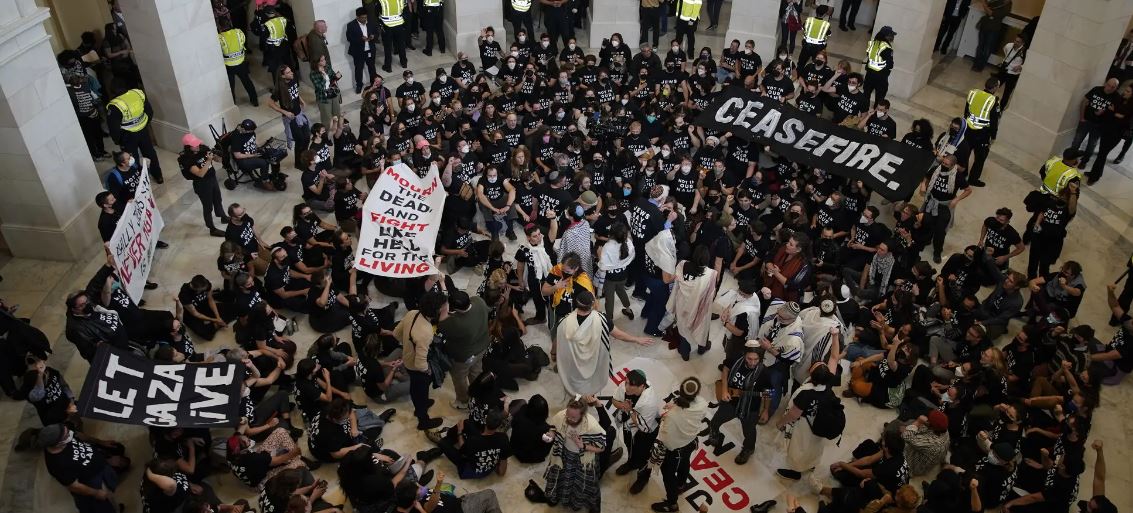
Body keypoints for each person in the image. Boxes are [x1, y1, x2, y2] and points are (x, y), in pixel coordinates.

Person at [555, 290, 652, 397]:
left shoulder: (564, 321)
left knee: (575, 379)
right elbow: (619, 335)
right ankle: (590, 396)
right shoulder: (602, 319)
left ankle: (576, 395)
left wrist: (553, 353)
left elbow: (557, 339)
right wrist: (636, 339)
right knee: (592, 380)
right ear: (592, 305)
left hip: (573, 362)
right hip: (594, 360)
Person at [704, 342, 771, 464]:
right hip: (731, 400)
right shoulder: (735, 359)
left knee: (749, 431)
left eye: (756, 359)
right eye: (749, 358)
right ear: (744, 355)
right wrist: (724, 389)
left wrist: (766, 410)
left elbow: (768, 392)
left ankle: (748, 449)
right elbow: (725, 369)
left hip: (750, 407)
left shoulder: (764, 373)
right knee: (716, 420)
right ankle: (714, 432)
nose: (752, 362)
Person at [648, 377, 709, 511]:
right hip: (691, 443)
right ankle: (681, 485)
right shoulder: (703, 404)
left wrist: (669, 415)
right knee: (685, 464)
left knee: (669, 476)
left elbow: (666, 439)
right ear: (697, 393)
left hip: (674, 450)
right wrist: (676, 406)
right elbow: (688, 409)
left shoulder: (672, 415)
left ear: (680, 391)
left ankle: (672, 504)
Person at [393, 290, 447, 430]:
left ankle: (419, 406)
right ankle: (423, 420)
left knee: (415, 387)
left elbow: (396, 333)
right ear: (435, 311)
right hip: (416, 367)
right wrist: (427, 370)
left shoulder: (413, 313)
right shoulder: (426, 331)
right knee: (421, 390)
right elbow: (420, 363)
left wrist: (409, 346)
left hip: (407, 359)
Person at [775, 361, 838, 481]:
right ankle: (811, 465)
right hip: (820, 424)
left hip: (804, 427)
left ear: (811, 374)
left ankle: (795, 472)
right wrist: (835, 340)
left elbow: (793, 414)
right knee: (815, 447)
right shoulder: (828, 385)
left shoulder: (805, 393)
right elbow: (834, 357)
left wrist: (780, 423)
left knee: (799, 449)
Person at [543, 396, 606, 513]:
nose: (568, 419)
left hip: (582, 459)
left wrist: (583, 446)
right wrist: (551, 435)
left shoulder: (591, 426)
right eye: (568, 414)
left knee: (583, 484)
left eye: (573, 417)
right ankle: (557, 497)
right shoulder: (562, 416)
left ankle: (587, 505)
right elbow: (553, 427)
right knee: (562, 478)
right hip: (563, 454)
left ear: (582, 415)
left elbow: (601, 447)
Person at [41, 424, 123, 513]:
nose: (71, 434)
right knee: (100, 506)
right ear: (58, 443)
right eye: (67, 435)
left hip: (101, 464)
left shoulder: (63, 433)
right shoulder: (57, 464)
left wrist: (101, 442)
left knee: (110, 489)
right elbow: (74, 486)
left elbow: (80, 435)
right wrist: (96, 493)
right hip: (89, 481)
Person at [610, 369, 661, 492]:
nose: (627, 387)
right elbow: (614, 400)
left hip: (646, 431)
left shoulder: (649, 402)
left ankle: (643, 478)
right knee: (630, 446)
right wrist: (623, 406)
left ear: (642, 386)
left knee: (644, 457)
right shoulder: (626, 385)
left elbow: (644, 428)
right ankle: (631, 463)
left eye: (631, 385)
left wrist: (630, 410)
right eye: (626, 382)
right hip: (629, 425)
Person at [438, 290, 490, 409]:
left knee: (459, 377)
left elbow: (441, 324)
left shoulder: (456, 323)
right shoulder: (479, 301)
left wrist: (445, 307)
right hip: (481, 347)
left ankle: (463, 401)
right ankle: (477, 393)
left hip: (464, 356)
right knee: (476, 371)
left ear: (454, 308)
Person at [668, 246, 718, 360]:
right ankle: (702, 348)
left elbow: (676, 282)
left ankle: (685, 353)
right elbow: (711, 295)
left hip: (682, 303)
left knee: (683, 327)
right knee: (703, 326)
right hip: (699, 307)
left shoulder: (682, 264)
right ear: (707, 259)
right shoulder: (711, 274)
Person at [921, 153, 972, 263]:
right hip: (932, 201)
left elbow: (968, 190)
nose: (943, 165)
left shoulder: (957, 176)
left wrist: (956, 199)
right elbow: (927, 176)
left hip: (945, 206)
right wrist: (923, 184)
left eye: (946, 164)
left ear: (953, 165)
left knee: (940, 231)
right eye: (943, 162)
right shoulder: (936, 169)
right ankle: (926, 239)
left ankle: (937, 251)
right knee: (926, 222)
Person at [107, 88, 163, 184]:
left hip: (128, 135)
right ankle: (158, 176)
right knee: (150, 153)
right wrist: (143, 124)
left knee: (131, 159)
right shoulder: (137, 93)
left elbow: (114, 128)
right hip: (143, 130)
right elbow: (149, 112)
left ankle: (139, 180)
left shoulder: (115, 105)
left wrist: (118, 140)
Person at [177, 133, 228, 237]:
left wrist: (216, 156)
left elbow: (217, 160)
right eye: (194, 145)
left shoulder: (203, 148)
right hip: (202, 184)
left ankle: (222, 216)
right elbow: (200, 174)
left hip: (212, 179)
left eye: (197, 143)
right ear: (188, 147)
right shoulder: (185, 159)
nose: (197, 146)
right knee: (208, 207)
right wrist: (208, 161)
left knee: (218, 199)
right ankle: (212, 229)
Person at [1089, 84, 1133, 185]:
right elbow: (1112, 111)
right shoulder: (1120, 100)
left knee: (1102, 154)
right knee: (1101, 153)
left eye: (1128, 91)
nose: (1124, 92)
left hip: (1116, 134)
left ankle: (1094, 177)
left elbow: (1123, 119)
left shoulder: (1131, 107)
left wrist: (1115, 113)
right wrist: (1115, 113)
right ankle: (1096, 173)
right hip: (1108, 129)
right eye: (1125, 90)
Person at [963, 77, 1002, 187]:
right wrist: (993, 136)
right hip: (983, 134)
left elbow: (966, 110)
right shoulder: (993, 101)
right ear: (994, 88)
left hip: (969, 130)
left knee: (965, 152)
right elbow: (994, 122)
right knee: (980, 158)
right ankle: (973, 179)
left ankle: (962, 173)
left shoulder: (973, 93)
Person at [1075, 78, 1121, 170]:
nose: (1110, 88)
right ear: (1105, 83)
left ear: (1116, 88)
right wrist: (1082, 117)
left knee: (1091, 145)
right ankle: (1072, 157)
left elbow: (1116, 114)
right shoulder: (1096, 89)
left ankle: (1084, 162)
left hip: (1100, 126)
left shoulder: (1116, 97)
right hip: (1086, 120)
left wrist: (1106, 112)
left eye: (1113, 87)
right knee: (1077, 140)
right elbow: (1084, 102)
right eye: (1108, 85)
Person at [217, 16, 258, 106]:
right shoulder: (238, 32)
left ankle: (233, 104)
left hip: (228, 65)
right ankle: (255, 101)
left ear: (220, 26)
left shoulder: (220, 38)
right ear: (230, 23)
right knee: (247, 82)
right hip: (241, 62)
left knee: (231, 86)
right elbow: (243, 42)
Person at [972, 0, 1012, 72]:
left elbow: (992, 13)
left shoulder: (1008, 4)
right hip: (985, 26)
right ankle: (975, 64)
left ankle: (980, 66)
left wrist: (984, 4)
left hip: (993, 29)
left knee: (987, 49)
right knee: (980, 46)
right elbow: (988, 5)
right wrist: (985, 3)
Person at [346, 8, 379, 94]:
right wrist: (360, 39)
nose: (364, 19)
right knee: (358, 69)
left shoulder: (371, 23)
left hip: (370, 50)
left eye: (365, 17)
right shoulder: (351, 25)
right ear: (357, 17)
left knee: (372, 67)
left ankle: (374, 84)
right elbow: (349, 38)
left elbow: (377, 33)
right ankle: (359, 85)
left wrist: (373, 37)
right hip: (358, 52)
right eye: (362, 17)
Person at [864, 26, 895, 106]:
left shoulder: (872, 43)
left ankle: (863, 111)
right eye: (891, 35)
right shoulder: (886, 47)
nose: (892, 37)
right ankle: (875, 113)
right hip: (881, 77)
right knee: (880, 98)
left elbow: (869, 56)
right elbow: (890, 65)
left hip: (869, 74)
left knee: (866, 95)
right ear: (887, 36)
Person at [309, 54, 343, 128]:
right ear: (317, 62)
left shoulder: (327, 67)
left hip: (333, 93)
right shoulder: (313, 73)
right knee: (327, 118)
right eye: (322, 60)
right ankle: (328, 135)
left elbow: (332, 77)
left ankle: (338, 132)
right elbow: (319, 87)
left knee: (337, 114)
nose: (325, 61)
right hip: (323, 98)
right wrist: (324, 77)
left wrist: (337, 76)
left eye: (324, 59)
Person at [378, 0, 409, 72]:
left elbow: (377, 13)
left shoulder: (382, 1)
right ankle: (404, 63)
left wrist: (380, 24)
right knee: (401, 44)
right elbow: (404, 10)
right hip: (399, 24)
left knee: (388, 47)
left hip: (387, 25)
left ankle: (388, 66)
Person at [798, 5, 831, 69]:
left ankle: (799, 75)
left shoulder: (809, 20)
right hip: (818, 48)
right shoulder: (826, 24)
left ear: (816, 12)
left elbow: (803, 28)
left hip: (806, 45)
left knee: (801, 63)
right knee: (817, 64)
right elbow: (828, 34)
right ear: (825, 14)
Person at [261, 5, 291, 74]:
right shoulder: (282, 19)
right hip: (284, 44)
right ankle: (292, 81)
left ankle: (279, 83)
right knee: (288, 63)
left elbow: (263, 36)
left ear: (266, 14)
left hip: (273, 48)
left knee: (276, 68)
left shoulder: (267, 24)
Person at [999, 34, 1026, 110]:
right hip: (1004, 70)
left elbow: (1028, 63)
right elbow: (1005, 50)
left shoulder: (1024, 52)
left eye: (1018, 42)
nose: (1015, 43)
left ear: (1022, 43)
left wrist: (1020, 66)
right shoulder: (1009, 45)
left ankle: (1001, 109)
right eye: (1015, 40)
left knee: (1007, 93)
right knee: (995, 85)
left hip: (1013, 75)